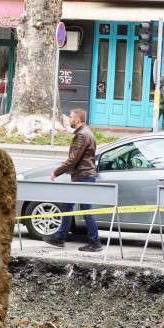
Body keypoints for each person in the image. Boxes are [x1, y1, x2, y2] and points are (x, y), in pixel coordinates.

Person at [44, 108, 102, 252]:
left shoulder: (82, 135)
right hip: (84, 176)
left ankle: (95, 243)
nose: (69, 119)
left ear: (77, 120)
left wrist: (56, 172)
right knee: (67, 205)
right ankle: (60, 237)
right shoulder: (86, 132)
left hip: (83, 177)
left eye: (70, 117)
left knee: (85, 209)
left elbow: (73, 160)